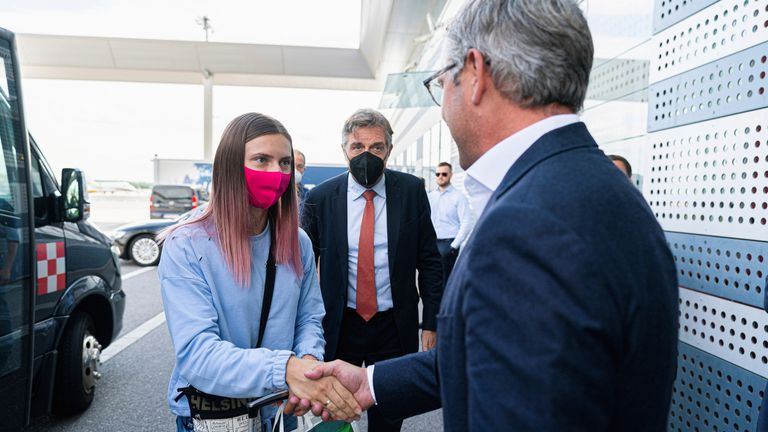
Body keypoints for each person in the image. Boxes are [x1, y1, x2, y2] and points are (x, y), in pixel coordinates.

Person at [290, 1, 679, 430]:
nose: (443, 105)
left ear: (474, 74)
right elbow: (496, 352)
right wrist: (373, 382)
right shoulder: (587, 186)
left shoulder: (530, 223)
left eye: (442, 83)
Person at [159, 113, 360, 432]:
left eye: (284, 163)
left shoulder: (298, 242)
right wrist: (285, 370)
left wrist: (307, 364)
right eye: (261, 159)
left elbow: (308, 318)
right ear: (229, 165)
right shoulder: (187, 244)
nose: (276, 172)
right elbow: (198, 354)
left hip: (283, 410)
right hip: (218, 416)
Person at [301, 108, 443, 432]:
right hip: (341, 325)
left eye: (376, 147)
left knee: (389, 420)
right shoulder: (321, 198)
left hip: (394, 326)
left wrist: (431, 322)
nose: (367, 155)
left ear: (389, 150)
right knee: (335, 418)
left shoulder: (411, 191)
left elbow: (430, 261)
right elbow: (300, 268)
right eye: (357, 147)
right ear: (344, 150)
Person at [427, 162, 473, 284]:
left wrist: (454, 245)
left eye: (444, 174)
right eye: (437, 174)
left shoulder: (458, 197)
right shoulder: (430, 196)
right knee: (431, 279)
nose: (440, 176)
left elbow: (466, 221)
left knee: (446, 281)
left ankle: (445, 303)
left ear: (451, 175)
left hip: (448, 244)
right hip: (432, 243)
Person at [294, 149, 310, 216]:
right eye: (291, 165)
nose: (295, 170)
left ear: (304, 170)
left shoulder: (308, 195)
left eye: (299, 166)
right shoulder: (273, 193)